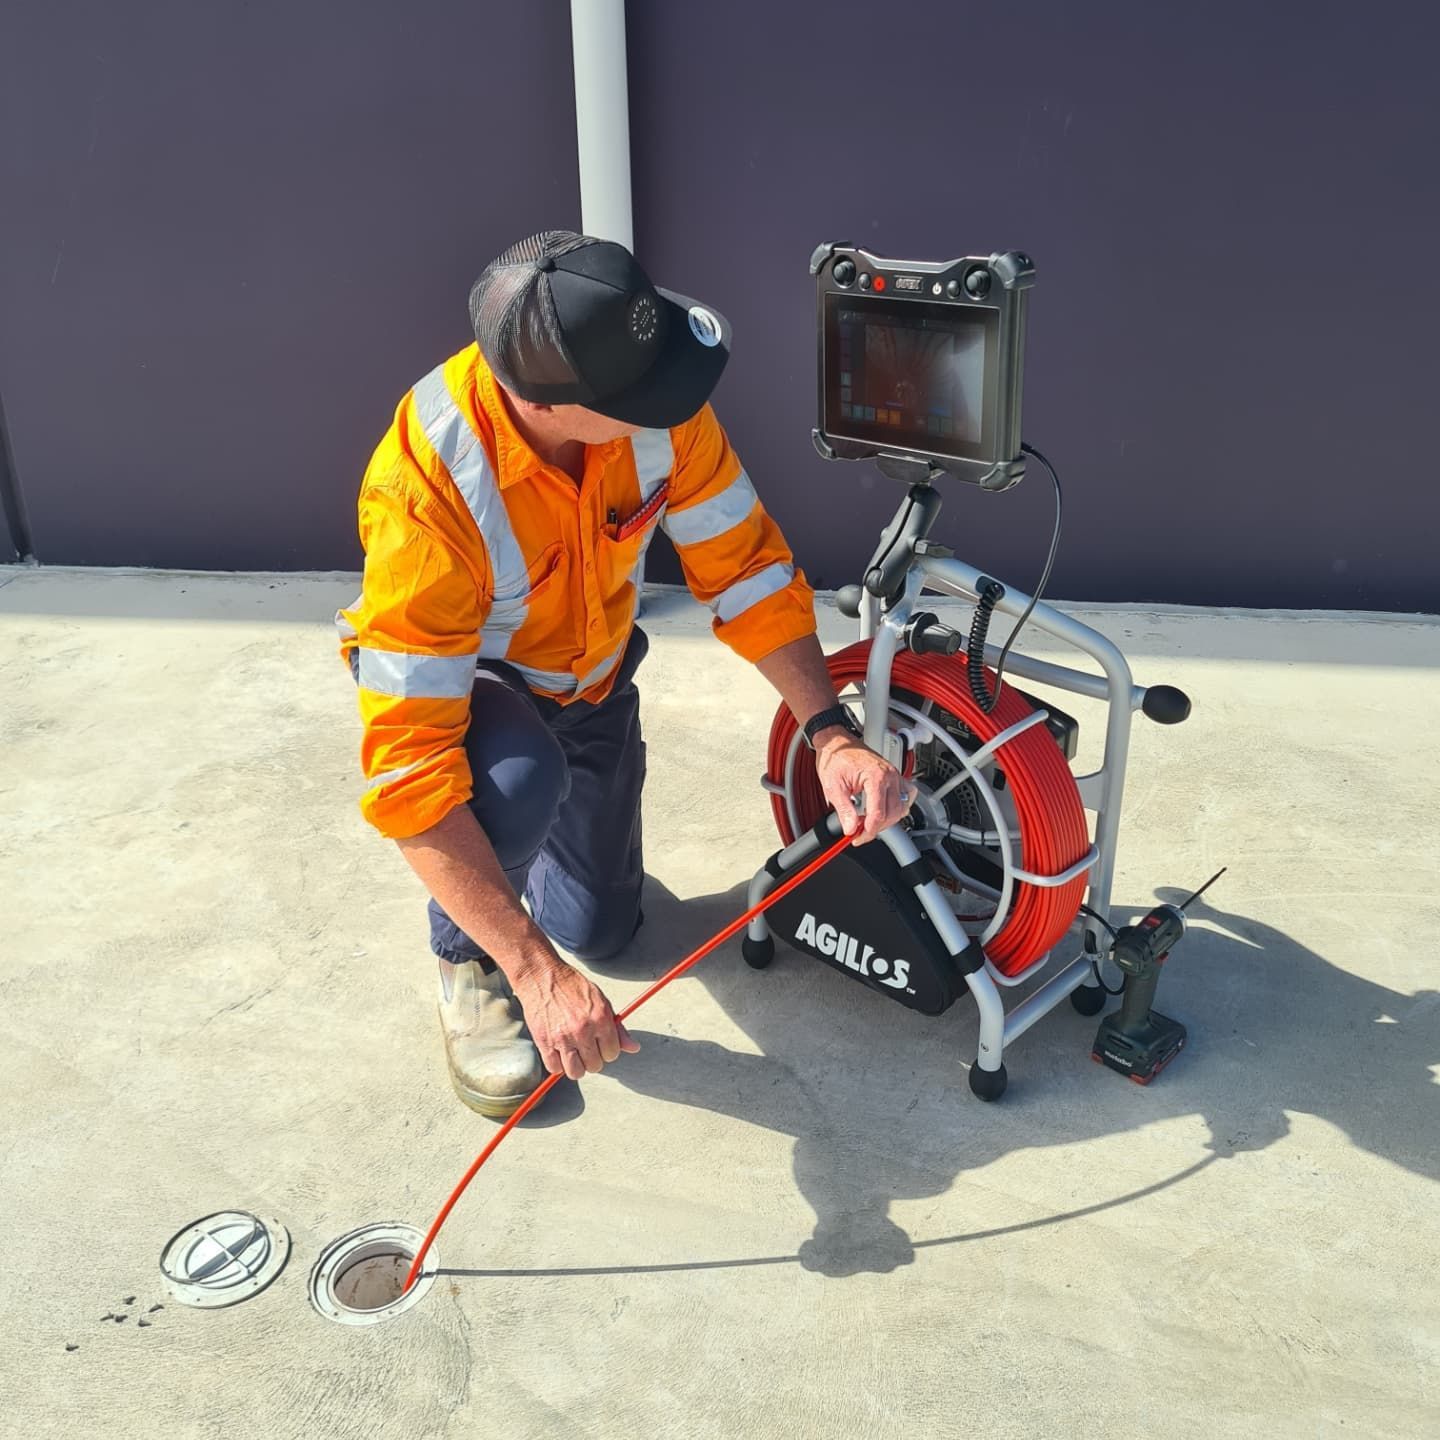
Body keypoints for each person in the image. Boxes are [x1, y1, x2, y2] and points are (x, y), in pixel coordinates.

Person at [338, 231, 909, 1120]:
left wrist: (828, 733)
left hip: (597, 681)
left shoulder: (652, 406)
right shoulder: (428, 491)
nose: (673, 407)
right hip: (481, 701)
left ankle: (537, 911)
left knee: (603, 933)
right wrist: (535, 976)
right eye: (646, 398)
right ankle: (471, 963)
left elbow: (747, 570)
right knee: (520, 785)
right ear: (549, 405)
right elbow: (407, 773)